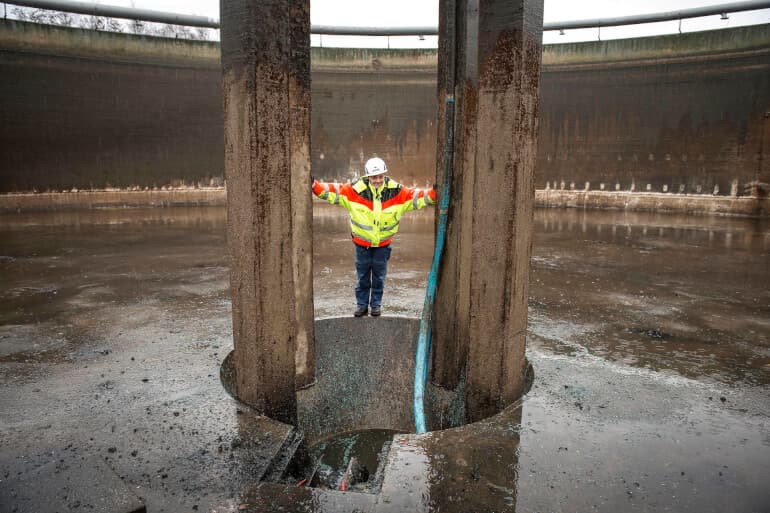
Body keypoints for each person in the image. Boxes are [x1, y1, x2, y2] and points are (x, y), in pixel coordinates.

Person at [312, 157, 436, 317]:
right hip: (361, 245)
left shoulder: (397, 192)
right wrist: (314, 186)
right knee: (363, 277)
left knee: (378, 277)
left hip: (383, 246)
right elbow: (332, 191)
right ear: (368, 177)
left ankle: (376, 305)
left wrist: (433, 193)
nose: (378, 180)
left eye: (380, 176)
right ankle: (362, 305)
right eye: (374, 177)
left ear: (384, 174)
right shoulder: (354, 191)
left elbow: (417, 197)